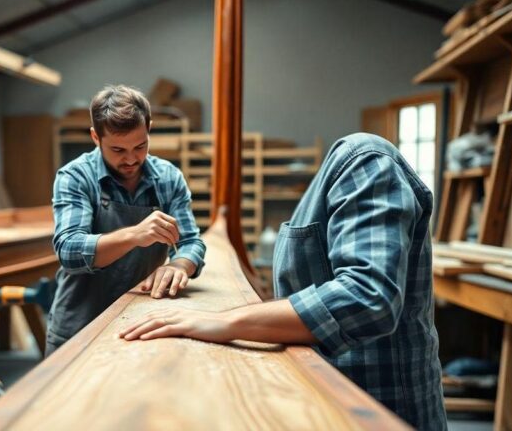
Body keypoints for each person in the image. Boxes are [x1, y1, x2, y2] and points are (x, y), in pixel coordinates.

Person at [120, 133, 446, 430]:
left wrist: (227, 321)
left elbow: (368, 298)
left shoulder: (367, 161)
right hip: (328, 397)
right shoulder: (341, 170)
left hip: (377, 403)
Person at [47, 84, 206, 356]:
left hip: (139, 321)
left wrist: (179, 266)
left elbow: (191, 241)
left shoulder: (168, 178)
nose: (131, 159)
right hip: (79, 326)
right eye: (118, 150)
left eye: (140, 146)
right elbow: (69, 251)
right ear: (96, 137)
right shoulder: (75, 177)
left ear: (149, 129)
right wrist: (135, 235)